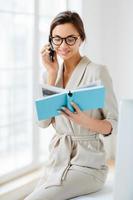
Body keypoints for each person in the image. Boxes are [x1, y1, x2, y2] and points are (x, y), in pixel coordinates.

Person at [25, 11, 118, 200]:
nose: (63, 46)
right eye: (57, 39)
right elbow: (42, 123)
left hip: (88, 164)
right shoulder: (49, 75)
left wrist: (85, 121)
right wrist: (51, 73)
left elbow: (114, 123)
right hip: (57, 159)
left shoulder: (97, 72)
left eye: (70, 39)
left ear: (81, 39)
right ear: (50, 41)